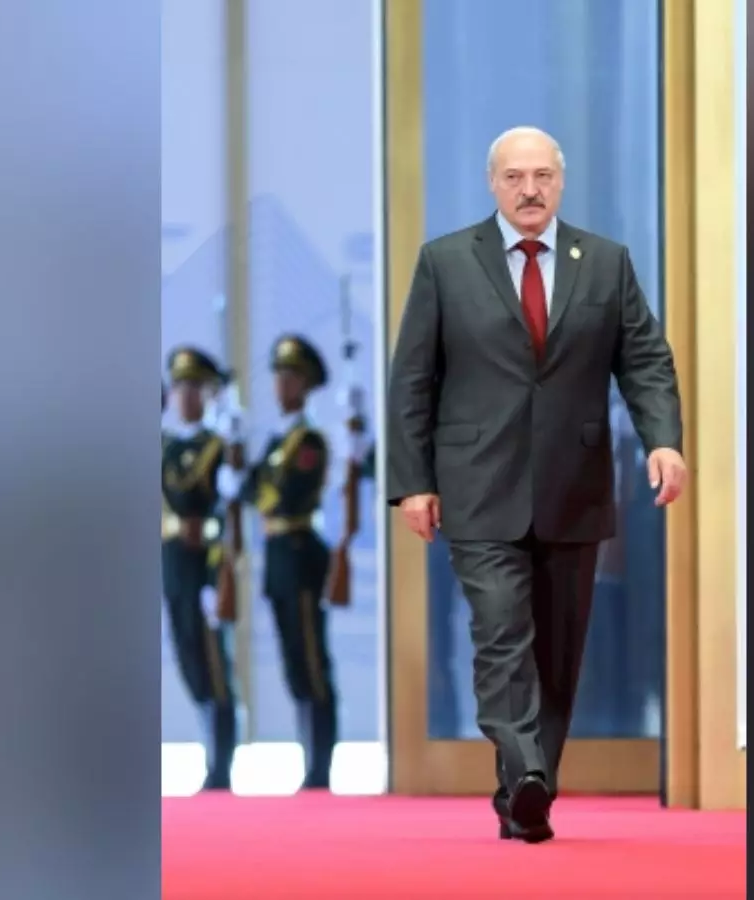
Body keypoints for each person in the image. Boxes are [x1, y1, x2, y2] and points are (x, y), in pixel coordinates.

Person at [386, 125, 688, 842]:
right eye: (515, 177)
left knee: (557, 653)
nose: (530, 190)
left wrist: (663, 440)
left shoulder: (605, 263)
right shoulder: (446, 262)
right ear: (493, 183)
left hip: (573, 486)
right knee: (500, 632)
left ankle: (526, 795)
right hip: (476, 485)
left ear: (561, 181)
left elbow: (644, 360)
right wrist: (413, 482)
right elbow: (412, 380)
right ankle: (526, 772)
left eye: (543, 176)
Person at [236, 334, 339, 791]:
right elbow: (248, 489)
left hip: (300, 552)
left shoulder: (308, 441)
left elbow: (283, 496)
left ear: (306, 384)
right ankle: (309, 759)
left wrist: (253, 486)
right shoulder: (279, 441)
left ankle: (321, 767)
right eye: (278, 376)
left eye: (290, 377)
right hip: (279, 555)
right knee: (294, 662)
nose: (281, 385)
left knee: (311, 660)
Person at [162, 346, 244, 791]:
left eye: (193, 387)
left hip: (205, 564)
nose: (184, 396)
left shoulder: (218, 446)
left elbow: (229, 511)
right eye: (178, 387)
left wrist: (218, 575)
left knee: (214, 665)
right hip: (174, 563)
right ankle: (209, 751)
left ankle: (221, 765)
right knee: (188, 656)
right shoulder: (169, 447)